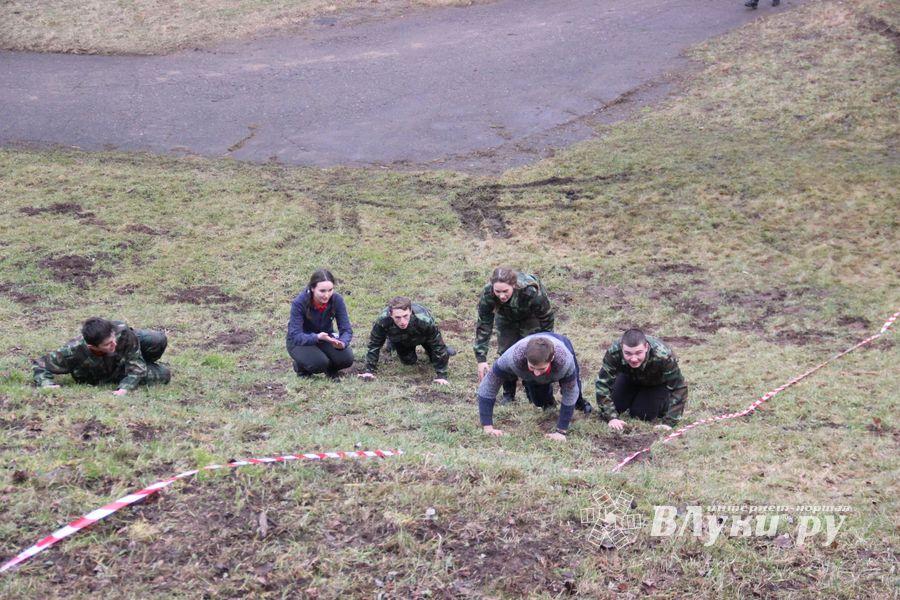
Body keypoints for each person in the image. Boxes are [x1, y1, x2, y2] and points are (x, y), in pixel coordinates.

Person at [477, 333, 591, 441]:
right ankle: (549, 402)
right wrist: (488, 428)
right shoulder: (512, 357)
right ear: (526, 357)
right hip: (529, 354)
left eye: (541, 369)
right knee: (539, 401)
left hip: (561, 345)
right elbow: (488, 386)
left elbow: (570, 392)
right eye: (532, 367)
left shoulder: (564, 361)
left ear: (551, 359)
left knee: (574, 388)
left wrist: (561, 432)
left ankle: (580, 402)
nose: (536, 373)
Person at [474, 267, 555, 405]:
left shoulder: (530, 290)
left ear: (513, 285)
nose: (501, 296)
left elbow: (547, 317)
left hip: (531, 316)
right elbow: (484, 324)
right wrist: (481, 358)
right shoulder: (488, 293)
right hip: (505, 317)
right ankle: (508, 394)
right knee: (506, 353)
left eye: (505, 291)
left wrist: (547, 342)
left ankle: (533, 390)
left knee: (531, 351)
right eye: (497, 291)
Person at [32, 317, 170, 394]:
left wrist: (126, 387)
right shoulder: (74, 350)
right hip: (104, 372)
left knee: (157, 340)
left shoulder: (121, 332)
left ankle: (145, 362)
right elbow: (40, 365)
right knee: (164, 374)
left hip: (127, 356)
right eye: (107, 344)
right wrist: (46, 384)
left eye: (113, 339)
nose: (114, 344)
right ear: (92, 346)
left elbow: (137, 366)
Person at [595, 328, 687, 431]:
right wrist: (611, 418)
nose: (634, 359)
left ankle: (664, 401)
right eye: (628, 353)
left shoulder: (663, 354)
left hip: (656, 383)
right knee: (615, 406)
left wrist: (669, 422)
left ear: (646, 347)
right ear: (621, 347)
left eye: (638, 353)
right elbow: (602, 383)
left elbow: (679, 387)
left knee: (642, 414)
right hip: (629, 378)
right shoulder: (614, 352)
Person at [359, 296, 455, 385]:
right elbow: (374, 344)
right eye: (397, 317)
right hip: (402, 340)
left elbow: (437, 344)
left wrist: (442, 376)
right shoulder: (383, 320)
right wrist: (369, 371)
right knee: (409, 361)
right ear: (390, 314)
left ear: (410, 312)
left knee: (437, 356)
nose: (402, 321)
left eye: (405, 316)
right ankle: (392, 342)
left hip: (424, 338)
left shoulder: (424, 319)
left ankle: (443, 350)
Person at [286, 269, 354, 379]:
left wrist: (342, 342)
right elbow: (295, 335)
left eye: (330, 290)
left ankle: (331, 370)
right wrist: (316, 337)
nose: (327, 295)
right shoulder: (299, 303)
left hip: (325, 338)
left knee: (347, 359)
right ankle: (300, 367)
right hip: (300, 341)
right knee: (319, 364)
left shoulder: (337, 300)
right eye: (322, 291)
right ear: (312, 288)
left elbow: (346, 329)